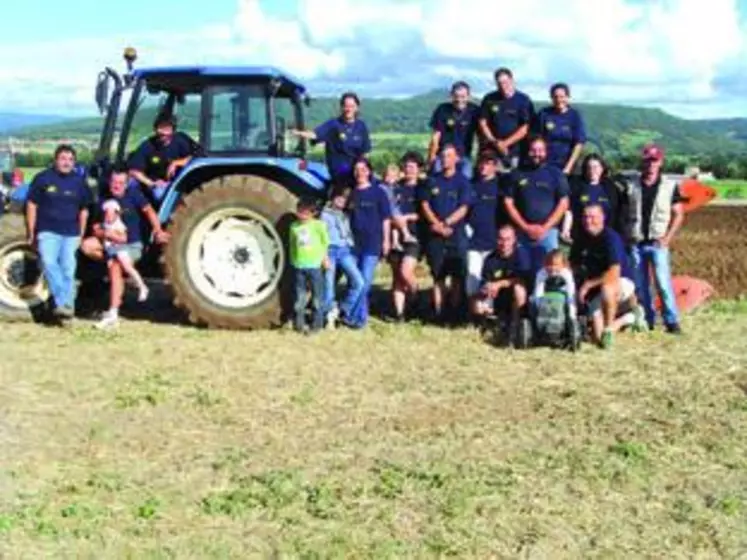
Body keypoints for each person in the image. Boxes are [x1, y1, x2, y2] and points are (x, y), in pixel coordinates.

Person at [81, 166, 170, 330]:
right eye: (114, 182)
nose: (116, 186)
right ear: (109, 182)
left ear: (127, 184)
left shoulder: (134, 196)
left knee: (115, 265)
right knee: (87, 246)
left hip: (132, 244)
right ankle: (116, 270)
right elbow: (95, 227)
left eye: (121, 183)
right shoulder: (103, 199)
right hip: (111, 243)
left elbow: (149, 211)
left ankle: (113, 312)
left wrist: (158, 230)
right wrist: (105, 234)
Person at [25, 144, 92, 320]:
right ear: (55, 160)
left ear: (74, 162)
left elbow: (84, 209)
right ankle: (65, 300)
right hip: (48, 231)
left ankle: (65, 306)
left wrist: (81, 233)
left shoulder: (79, 181)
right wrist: (31, 231)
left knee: (69, 269)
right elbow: (32, 204)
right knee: (48, 262)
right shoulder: (43, 178)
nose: (66, 162)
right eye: (63, 158)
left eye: (70, 159)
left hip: (71, 232)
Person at [625, 144, 684, 334]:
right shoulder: (631, 185)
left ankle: (672, 321)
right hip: (637, 242)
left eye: (655, 160)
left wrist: (667, 238)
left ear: (661, 162)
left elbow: (679, 214)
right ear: (642, 162)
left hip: (658, 242)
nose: (651, 164)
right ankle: (647, 320)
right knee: (641, 285)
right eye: (648, 160)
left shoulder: (669, 186)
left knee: (663, 283)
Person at [572, 204, 647, 348]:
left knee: (607, 289)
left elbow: (614, 272)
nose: (588, 221)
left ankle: (610, 328)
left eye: (593, 217)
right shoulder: (581, 239)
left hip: (620, 282)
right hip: (596, 289)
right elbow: (573, 264)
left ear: (602, 218)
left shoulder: (611, 238)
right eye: (585, 217)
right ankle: (630, 318)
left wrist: (588, 285)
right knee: (598, 340)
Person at [419, 144, 471, 323]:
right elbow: (425, 205)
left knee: (457, 276)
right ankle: (439, 312)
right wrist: (437, 224)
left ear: (456, 158)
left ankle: (454, 312)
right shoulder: (432, 180)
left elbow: (464, 207)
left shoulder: (463, 181)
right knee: (438, 275)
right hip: (435, 235)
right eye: (442, 156)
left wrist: (447, 223)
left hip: (456, 234)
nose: (445, 159)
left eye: (449, 156)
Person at [504, 136, 570, 275]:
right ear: (528, 152)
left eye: (540, 150)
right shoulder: (516, 174)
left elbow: (563, 203)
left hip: (548, 233)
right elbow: (508, 203)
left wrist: (544, 228)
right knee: (522, 272)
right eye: (533, 150)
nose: (537, 154)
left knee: (552, 272)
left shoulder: (555, 174)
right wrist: (525, 227)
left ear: (546, 152)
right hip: (522, 232)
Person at [346, 157, 392, 328]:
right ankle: (360, 319)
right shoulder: (351, 193)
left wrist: (386, 240)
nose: (359, 173)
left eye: (363, 169)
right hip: (354, 244)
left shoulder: (378, 192)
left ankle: (349, 313)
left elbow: (386, 219)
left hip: (373, 242)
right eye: (356, 170)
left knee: (364, 282)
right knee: (356, 281)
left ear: (369, 171)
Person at [291, 92, 371, 185]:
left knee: (374, 183)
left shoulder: (361, 126)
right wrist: (298, 133)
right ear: (341, 107)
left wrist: (362, 167)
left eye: (352, 106)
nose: (348, 109)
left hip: (356, 167)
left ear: (357, 108)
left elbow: (365, 151)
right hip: (340, 168)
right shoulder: (333, 124)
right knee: (348, 177)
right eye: (346, 106)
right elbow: (315, 134)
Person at [128, 114, 203, 203]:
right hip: (158, 183)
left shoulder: (181, 139)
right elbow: (134, 170)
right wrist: (152, 184)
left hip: (180, 182)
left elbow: (198, 155)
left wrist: (176, 163)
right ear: (155, 129)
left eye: (166, 128)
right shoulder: (148, 145)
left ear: (173, 129)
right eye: (160, 128)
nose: (163, 132)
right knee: (155, 192)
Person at [474, 224, 531, 339]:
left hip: (516, 297)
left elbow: (523, 278)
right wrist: (486, 288)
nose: (504, 243)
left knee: (519, 289)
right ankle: (487, 324)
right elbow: (485, 281)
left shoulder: (521, 254)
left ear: (514, 239)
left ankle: (515, 327)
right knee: (475, 302)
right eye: (501, 239)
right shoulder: (490, 259)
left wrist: (499, 284)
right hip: (497, 297)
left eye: (508, 239)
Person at [320, 184, 365, 327]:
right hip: (330, 251)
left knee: (359, 282)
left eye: (345, 198)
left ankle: (342, 309)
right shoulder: (324, 214)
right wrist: (324, 256)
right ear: (333, 197)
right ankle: (327, 316)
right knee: (328, 287)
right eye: (339, 197)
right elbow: (321, 237)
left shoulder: (345, 215)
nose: (341, 200)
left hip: (345, 251)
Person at [465, 151, 502, 317]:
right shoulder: (471, 185)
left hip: (493, 240)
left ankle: (488, 313)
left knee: (489, 279)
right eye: (481, 163)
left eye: (488, 163)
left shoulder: (500, 186)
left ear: (495, 166)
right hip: (473, 240)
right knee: (472, 279)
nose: (483, 167)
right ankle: (474, 313)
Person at [389, 151, 425, 321]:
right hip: (394, 236)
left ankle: (416, 295)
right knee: (397, 277)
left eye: (412, 166)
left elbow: (426, 213)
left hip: (415, 236)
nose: (408, 169)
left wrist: (408, 217)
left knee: (405, 271)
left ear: (418, 169)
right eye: (406, 166)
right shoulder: (396, 187)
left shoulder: (423, 188)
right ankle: (400, 314)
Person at [478, 67, 535, 172]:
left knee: (512, 182)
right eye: (499, 83)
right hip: (492, 151)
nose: (503, 86)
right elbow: (483, 123)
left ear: (512, 80)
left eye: (505, 82)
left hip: (515, 152)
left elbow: (525, 128)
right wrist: (495, 142)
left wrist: (505, 144)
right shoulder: (489, 99)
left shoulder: (523, 100)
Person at [562, 153, 627, 243]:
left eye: (596, 167)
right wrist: (566, 230)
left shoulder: (611, 188)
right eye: (589, 167)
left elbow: (617, 213)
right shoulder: (577, 186)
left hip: (606, 236)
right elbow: (570, 211)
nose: (592, 170)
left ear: (602, 168)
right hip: (581, 235)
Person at [289, 197, 330, 334]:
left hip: (315, 266)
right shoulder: (294, 227)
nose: (303, 215)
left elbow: (325, 243)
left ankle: (316, 325)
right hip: (299, 266)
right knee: (299, 297)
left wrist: (325, 259)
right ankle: (299, 325)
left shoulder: (318, 225)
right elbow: (293, 246)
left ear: (313, 213)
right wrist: (293, 261)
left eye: (306, 213)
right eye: (300, 212)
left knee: (317, 297)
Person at [427, 81, 480, 179]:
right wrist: (431, 158)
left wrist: (479, 157)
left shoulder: (475, 111)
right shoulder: (442, 109)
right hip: (443, 155)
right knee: (436, 180)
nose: (459, 100)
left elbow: (480, 135)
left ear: (468, 96)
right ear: (451, 95)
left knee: (466, 180)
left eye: (463, 96)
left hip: (463, 156)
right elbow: (435, 137)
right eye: (456, 96)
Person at [100, 199, 149, 303]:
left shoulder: (119, 225)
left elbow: (124, 239)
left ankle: (142, 286)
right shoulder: (105, 224)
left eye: (111, 214)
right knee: (111, 271)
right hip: (110, 250)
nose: (108, 217)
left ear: (116, 214)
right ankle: (117, 298)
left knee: (127, 267)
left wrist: (110, 235)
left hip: (119, 249)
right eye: (106, 214)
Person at [534, 83, 586, 174]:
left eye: (562, 96)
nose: (559, 100)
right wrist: (539, 161)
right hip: (546, 164)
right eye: (555, 97)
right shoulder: (544, 114)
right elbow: (536, 139)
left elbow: (579, 143)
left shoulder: (575, 116)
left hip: (568, 165)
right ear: (551, 98)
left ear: (567, 97)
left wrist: (568, 167)